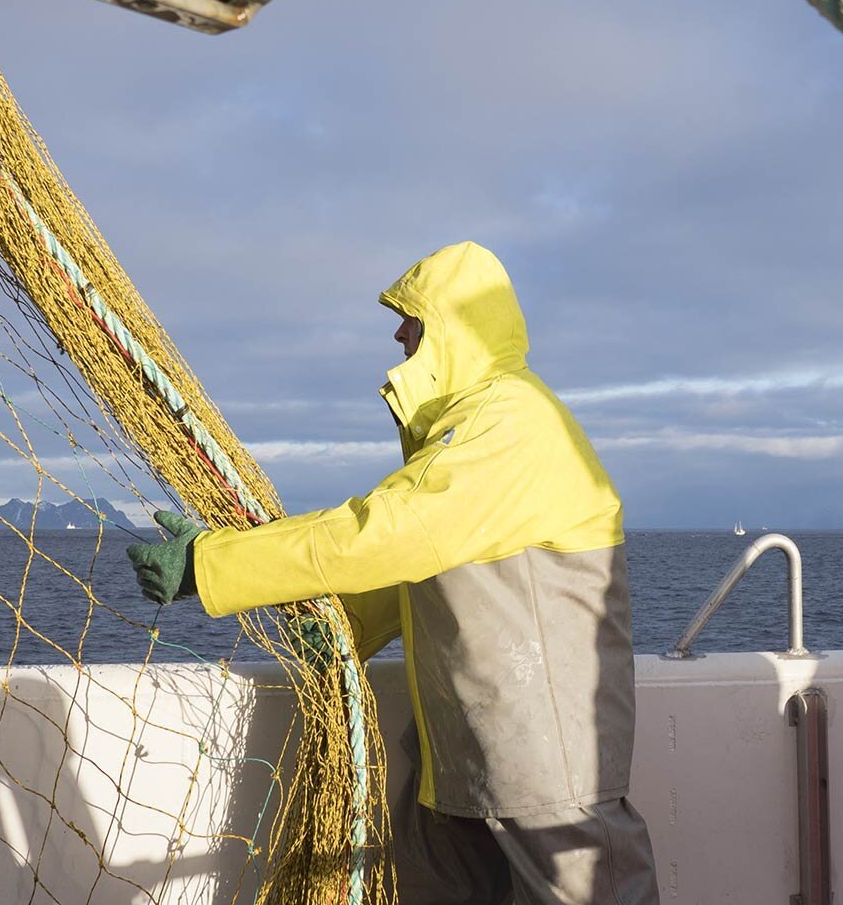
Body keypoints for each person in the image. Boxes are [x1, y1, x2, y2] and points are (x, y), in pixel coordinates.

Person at [127, 241, 659, 904]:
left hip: (549, 772)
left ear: (458, 326)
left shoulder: (514, 421)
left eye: (414, 317)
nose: (399, 332)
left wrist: (213, 563)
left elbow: (388, 533)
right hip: (462, 758)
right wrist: (350, 626)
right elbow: (431, 563)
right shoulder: (469, 428)